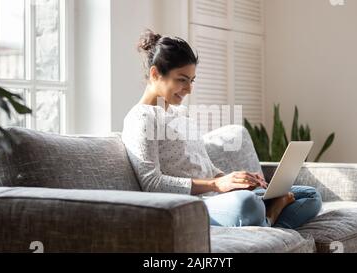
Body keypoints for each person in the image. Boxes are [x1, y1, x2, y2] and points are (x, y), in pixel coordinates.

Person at [122, 29, 322, 229]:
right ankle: (269, 217)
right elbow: (153, 184)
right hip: (189, 205)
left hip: (218, 199)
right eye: (182, 79)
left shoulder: (181, 114)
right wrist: (216, 185)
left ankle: (267, 224)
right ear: (155, 73)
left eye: (191, 81)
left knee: (310, 195)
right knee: (248, 204)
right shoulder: (141, 118)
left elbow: (207, 168)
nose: (189, 89)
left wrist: (235, 180)